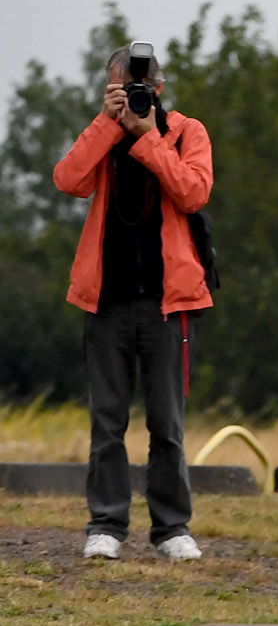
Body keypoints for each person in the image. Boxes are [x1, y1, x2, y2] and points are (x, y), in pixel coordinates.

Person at [51, 42, 215, 564]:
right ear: (109, 89)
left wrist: (148, 136)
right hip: (106, 302)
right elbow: (68, 179)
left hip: (167, 303)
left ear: (160, 88)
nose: (135, 95)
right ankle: (106, 524)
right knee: (107, 421)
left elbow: (193, 192)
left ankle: (172, 529)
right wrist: (108, 123)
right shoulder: (104, 137)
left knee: (167, 424)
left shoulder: (187, 131)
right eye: (123, 87)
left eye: (142, 87)